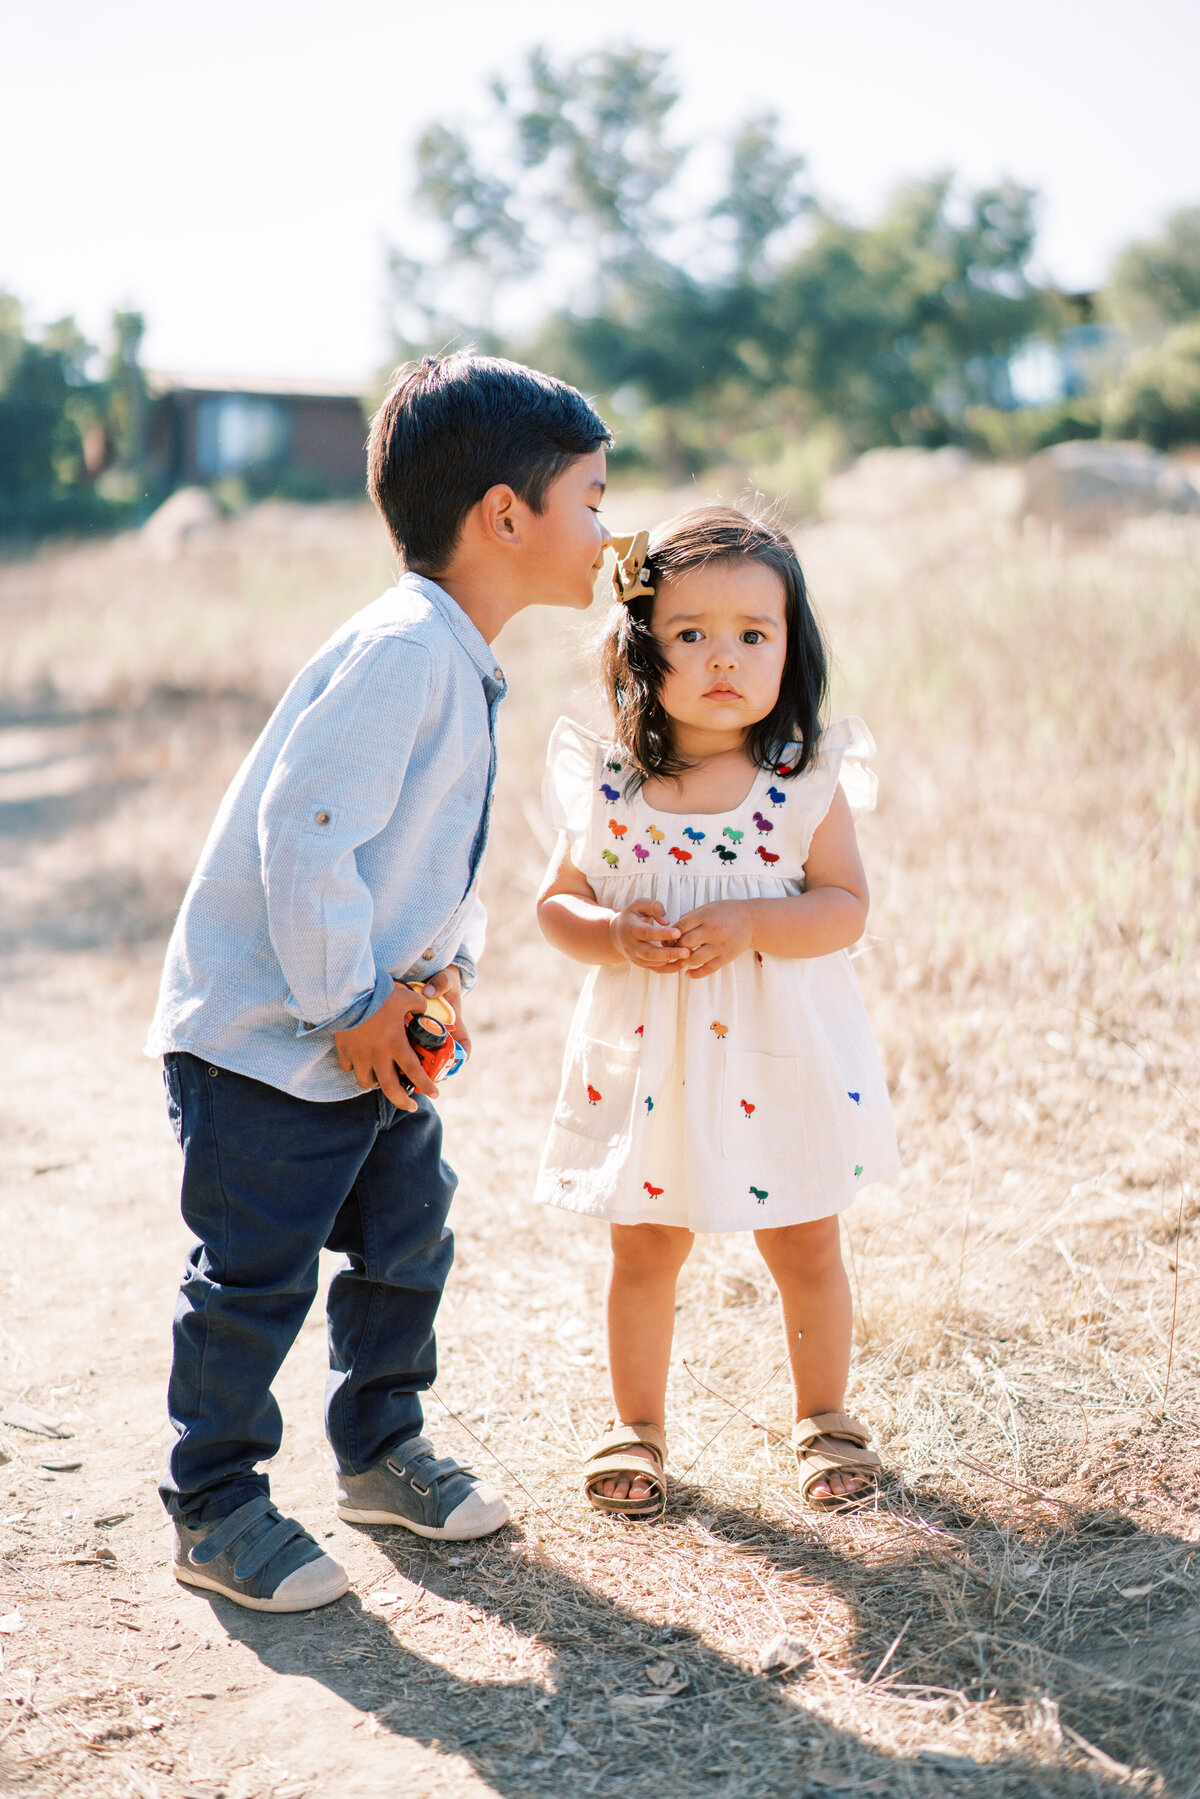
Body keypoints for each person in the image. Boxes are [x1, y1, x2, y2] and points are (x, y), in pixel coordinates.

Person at [148, 352, 612, 1610]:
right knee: (256, 1275)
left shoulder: (459, 655)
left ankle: (382, 1448)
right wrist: (351, 1003)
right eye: (593, 496)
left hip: (372, 1024)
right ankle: (218, 1503)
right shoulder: (408, 648)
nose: (607, 528)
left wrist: (440, 975)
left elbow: (427, 846)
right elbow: (305, 831)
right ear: (506, 516)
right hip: (270, 1038)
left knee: (407, 1236)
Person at [534, 506, 900, 1518]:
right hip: (653, 1056)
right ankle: (636, 1425)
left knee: (804, 1237)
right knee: (644, 1243)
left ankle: (824, 1417)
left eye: (754, 633)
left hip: (777, 1049)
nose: (724, 656)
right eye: (690, 633)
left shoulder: (800, 784)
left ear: (794, 645)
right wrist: (608, 933)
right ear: (639, 646)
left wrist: (752, 918)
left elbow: (845, 910)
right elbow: (554, 906)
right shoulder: (614, 787)